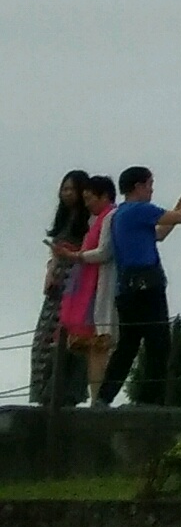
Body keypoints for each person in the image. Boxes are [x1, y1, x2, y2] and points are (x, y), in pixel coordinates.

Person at [97, 166, 181, 406]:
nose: (152, 189)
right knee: (158, 345)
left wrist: (178, 205)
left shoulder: (121, 215)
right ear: (138, 186)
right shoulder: (140, 209)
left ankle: (104, 396)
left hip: (127, 289)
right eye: (149, 184)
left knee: (128, 345)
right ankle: (151, 400)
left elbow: (160, 233)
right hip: (147, 287)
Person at [30, 172, 90, 407]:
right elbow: (54, 252)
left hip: (75, 282)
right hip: (57, 282)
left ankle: (64, 393)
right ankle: (43, 392)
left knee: (65, 339)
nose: (66, 194)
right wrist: (50, 270)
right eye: (64, 189)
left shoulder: (87, 222)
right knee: (43, 341)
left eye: (71, 189)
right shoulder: (64, 219)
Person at [57, 175, 118, 405]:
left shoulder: (110, 217)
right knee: (94, 345)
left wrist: (74, 256)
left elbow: (104, 252)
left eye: (90, 198)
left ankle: (98, 398)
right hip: (90, 285)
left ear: (104, 196)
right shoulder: (95, 220)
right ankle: (96, 396)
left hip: (100, 286)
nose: (87, 203)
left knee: (100, 343)